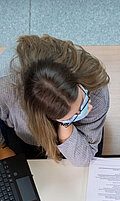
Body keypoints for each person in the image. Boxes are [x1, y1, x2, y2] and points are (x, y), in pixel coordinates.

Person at [0, 34, 110, 167]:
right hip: (23, 131)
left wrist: (66, 124)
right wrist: (2, 147)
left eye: (83, 101)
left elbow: (83, 159)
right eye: (75, 113)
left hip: (72, 133)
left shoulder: (95, 90)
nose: (87, 108)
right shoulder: (5, 84)